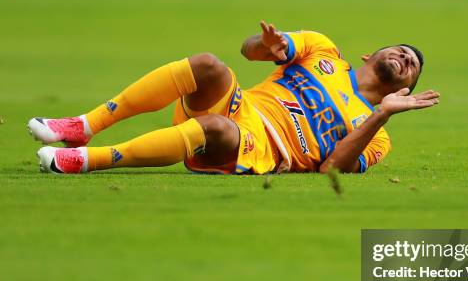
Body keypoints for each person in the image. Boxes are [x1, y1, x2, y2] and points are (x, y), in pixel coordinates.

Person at [29, 21, 439, 175]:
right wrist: (263, 48)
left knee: (215, 128)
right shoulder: (323, 51)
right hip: (242, 105)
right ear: (371, 54)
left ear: (403, 91)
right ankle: (85, 126)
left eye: (412, 65)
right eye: (401, 49)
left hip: (258, 147)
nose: (405, 57)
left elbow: (332, 167)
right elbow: (251, 51)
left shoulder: (378, 137)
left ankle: (88, 161)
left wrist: (380, 116)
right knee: (208, 64)